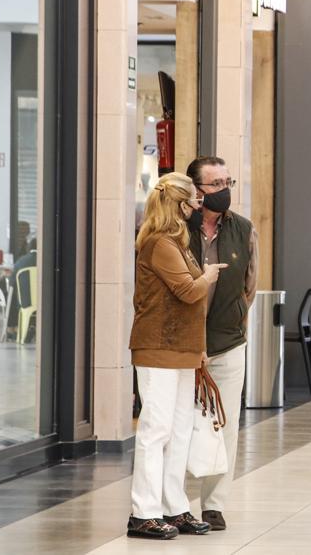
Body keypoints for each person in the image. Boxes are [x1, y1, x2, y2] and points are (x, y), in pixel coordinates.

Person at [127, 172, 225, 539]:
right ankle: (144, 512)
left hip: (182, 349)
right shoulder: (159, 243)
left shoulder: (176, 241)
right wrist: (209, 275)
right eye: (195, 201)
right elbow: (187, 291)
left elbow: (187, 304)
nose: (199, 207)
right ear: (179, 204)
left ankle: (173, 506)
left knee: (180, 431)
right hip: (158, 347)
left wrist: (198, 350)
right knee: (156, 431)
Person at [184, 156, 257, 532]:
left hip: (228, 342)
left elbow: (250, 287)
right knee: (180, 424)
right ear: (196, 190)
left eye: (228, 181)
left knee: (223, 425)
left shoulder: (243, 230)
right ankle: (176, 501)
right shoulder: (179, 230)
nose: (223, 190)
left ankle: (213, 505)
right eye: (215, 184)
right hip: (181, 344)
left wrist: (231, 320)